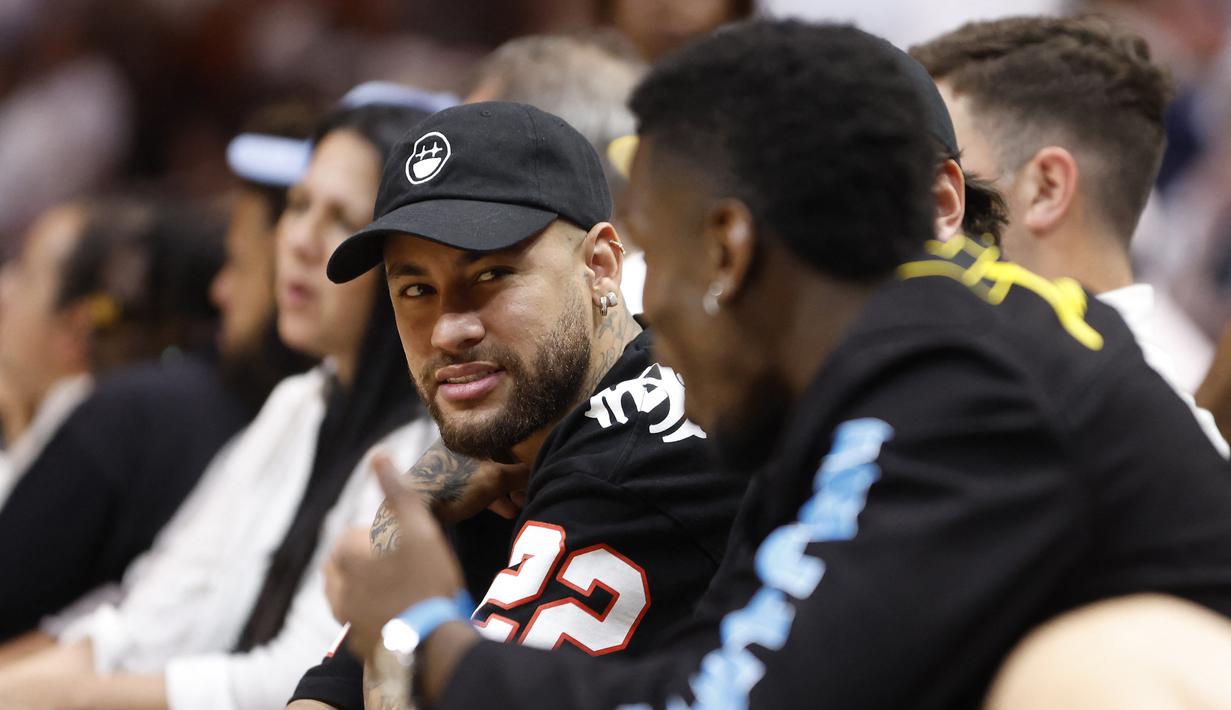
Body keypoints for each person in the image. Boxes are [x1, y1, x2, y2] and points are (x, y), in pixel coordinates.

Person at [322, 20, 1231, 709]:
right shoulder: (876, 383)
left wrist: (429, 634)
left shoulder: (958, 382)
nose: (651, 305)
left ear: (727, 249)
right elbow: (713, 658)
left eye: (653, 252)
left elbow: (727, 699)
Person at [287, 101, 748, 710]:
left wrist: (403, 609)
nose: (449, 329)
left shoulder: (641, 463)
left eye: (492, 274)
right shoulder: (511, 434)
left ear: (601, 267)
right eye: (416, 288)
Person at [0, 100, 435, 710]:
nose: (300, 241)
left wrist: (70, 695)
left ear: (403, 258)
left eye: (341, 219)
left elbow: (297, 676)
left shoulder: (430, 446)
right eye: (298, 207)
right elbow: (157, 606)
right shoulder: (299, 402)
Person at [910, 15, 1229, 457]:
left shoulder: (1132, 436)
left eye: (947, 179)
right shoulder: (990, 380)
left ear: (1046, 189)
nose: (914, 213)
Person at [0, 195, 253, 643]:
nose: (4, 290)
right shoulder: (206, 403)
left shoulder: (104, 421)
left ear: (76, 331)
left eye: (25, 272)